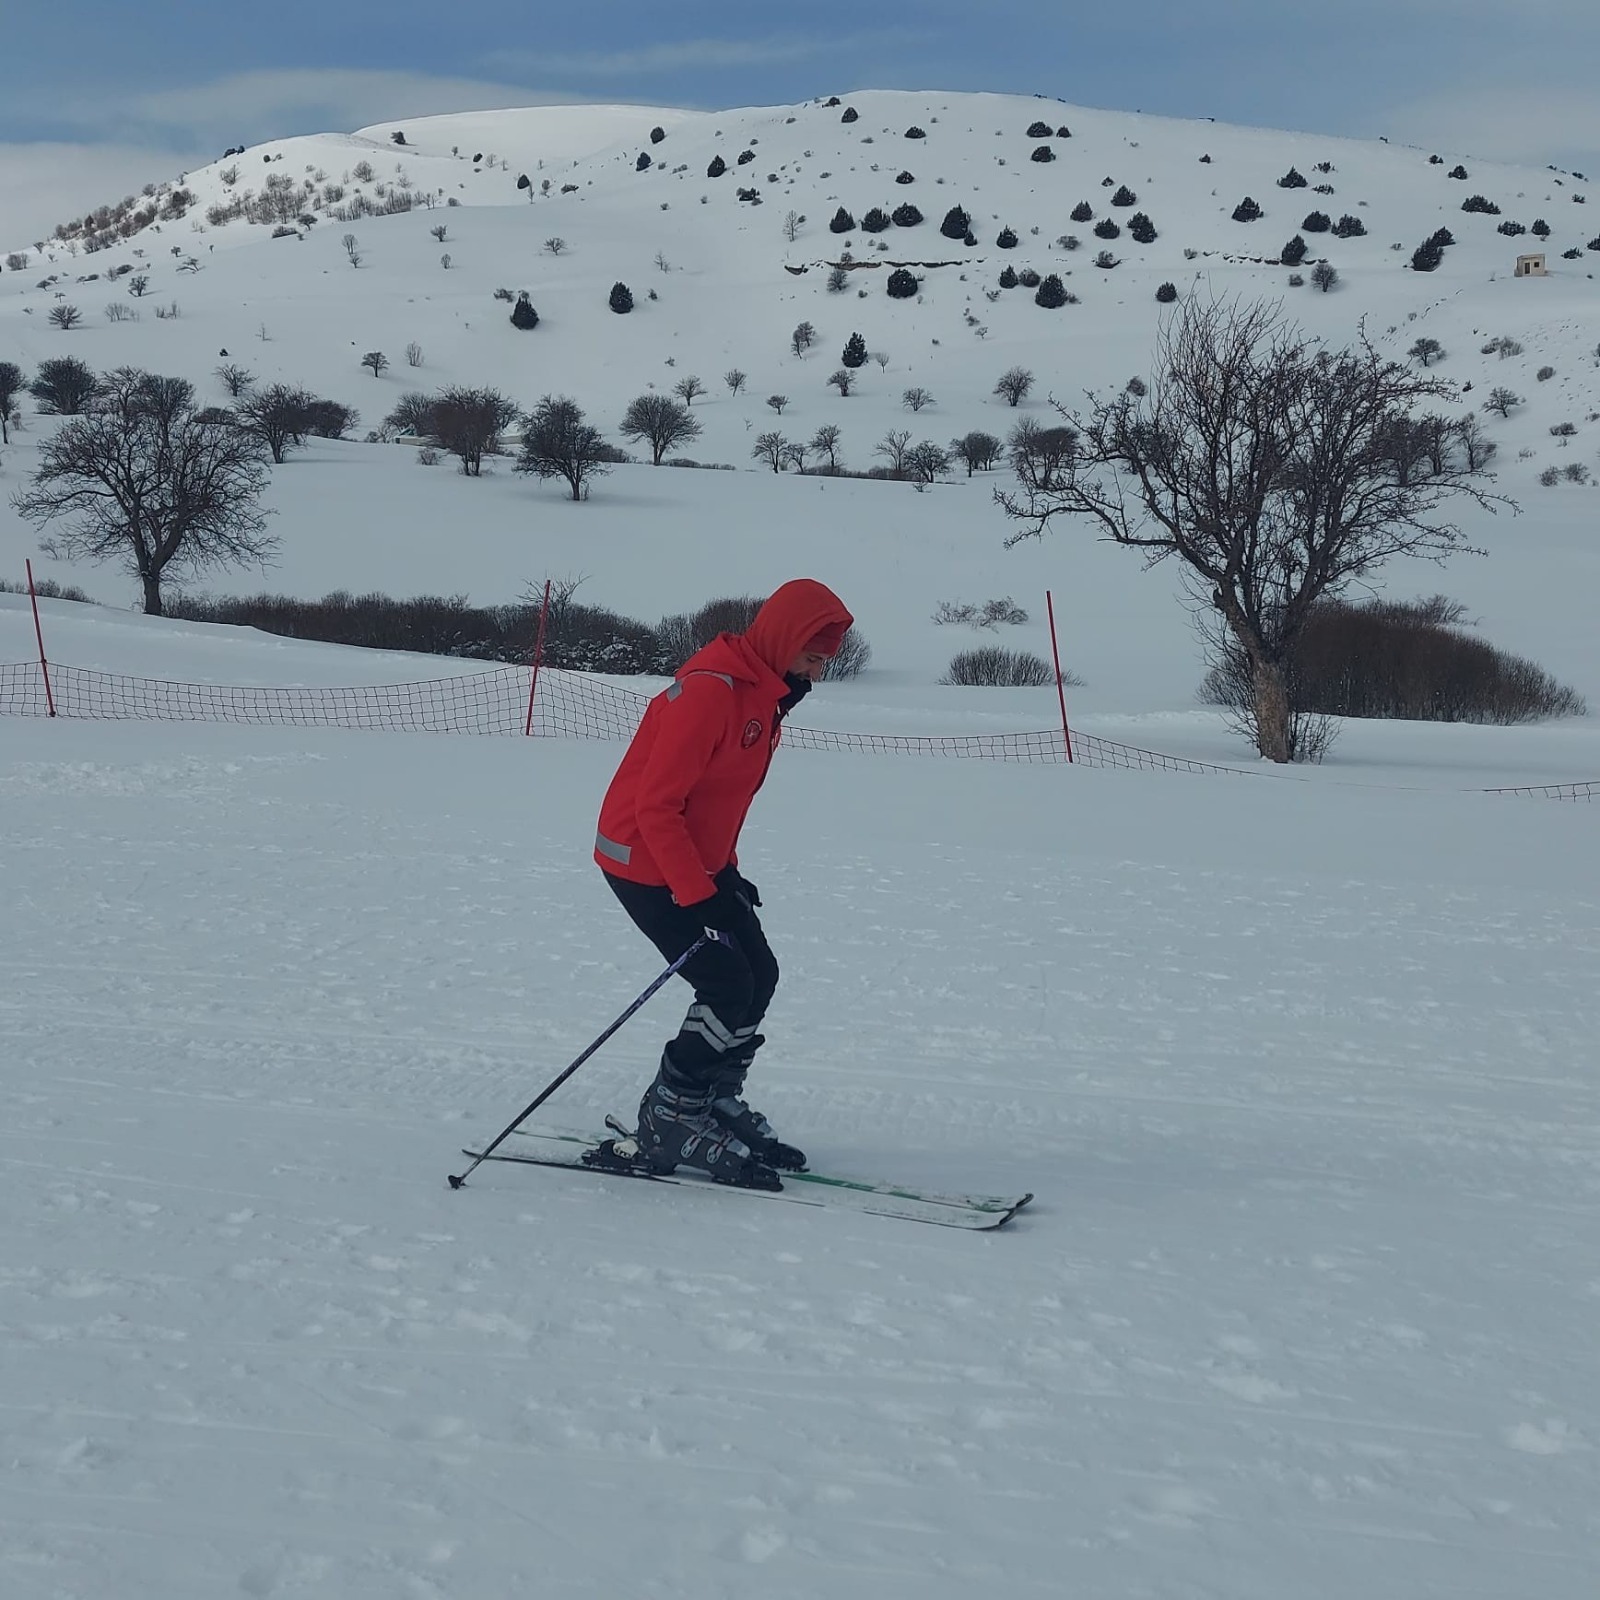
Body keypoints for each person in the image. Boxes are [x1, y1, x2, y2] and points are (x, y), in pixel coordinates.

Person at [594, 578, 854, 1186]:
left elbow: (720, 801)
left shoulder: (763, 696)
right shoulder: (713, 693)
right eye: (813, 657)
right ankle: (669, 1118)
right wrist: (699, 892)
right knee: (725, 982)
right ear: (784, 639)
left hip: (694, 862)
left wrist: (726, 874)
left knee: (760, 972)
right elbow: (659, 806)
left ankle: (709, 1098)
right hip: (642, 860)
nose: (818, 672)